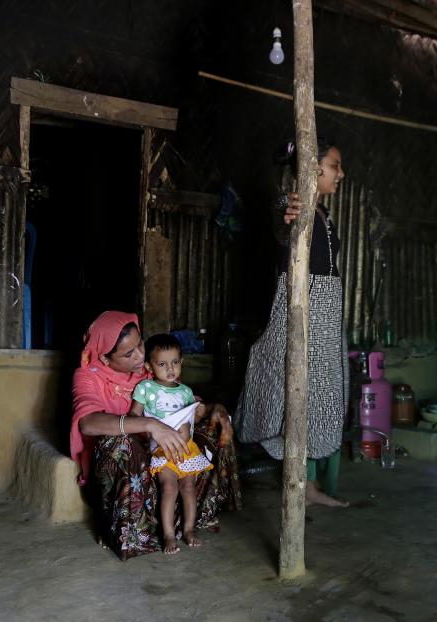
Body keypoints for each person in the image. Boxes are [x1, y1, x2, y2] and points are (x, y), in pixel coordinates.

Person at [70, 311, 241, 560]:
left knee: (212, 430)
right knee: (119, 444)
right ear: (106, 359)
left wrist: (217, 410)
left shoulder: (150, 370)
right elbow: (87, 423)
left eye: (140, 343)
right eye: (129, 354)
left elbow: (182, 405)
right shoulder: (88, 376)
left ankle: (190, 520)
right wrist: (148, 425)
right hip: (126, 461)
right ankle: (121, 525)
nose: (140, 356)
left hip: (162, 452)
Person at [236, 138, 350, 507]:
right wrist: (288, 216)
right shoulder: (292, 204)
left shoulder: (324, 214)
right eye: (335, 165)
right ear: (313, 169)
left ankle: (309, 485)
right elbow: (283, 227)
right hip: (305, 312)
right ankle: (301, 485)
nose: (341, 173)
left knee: (322, 395)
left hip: (326, 313)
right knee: (298, 392)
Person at [129, 333, 213, 554]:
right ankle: (168, 535)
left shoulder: (185, 391)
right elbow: (134, 416)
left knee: (188, 487)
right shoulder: (145, 388)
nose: (170, 369)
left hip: (187, 450)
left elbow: (191, 420)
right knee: (169, 487)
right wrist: (152, 426)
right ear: (149, 365)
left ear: (181, 362)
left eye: (175, 362)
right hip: (162, 450)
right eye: (162, 364)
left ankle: (188, 530)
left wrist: (200, 413)